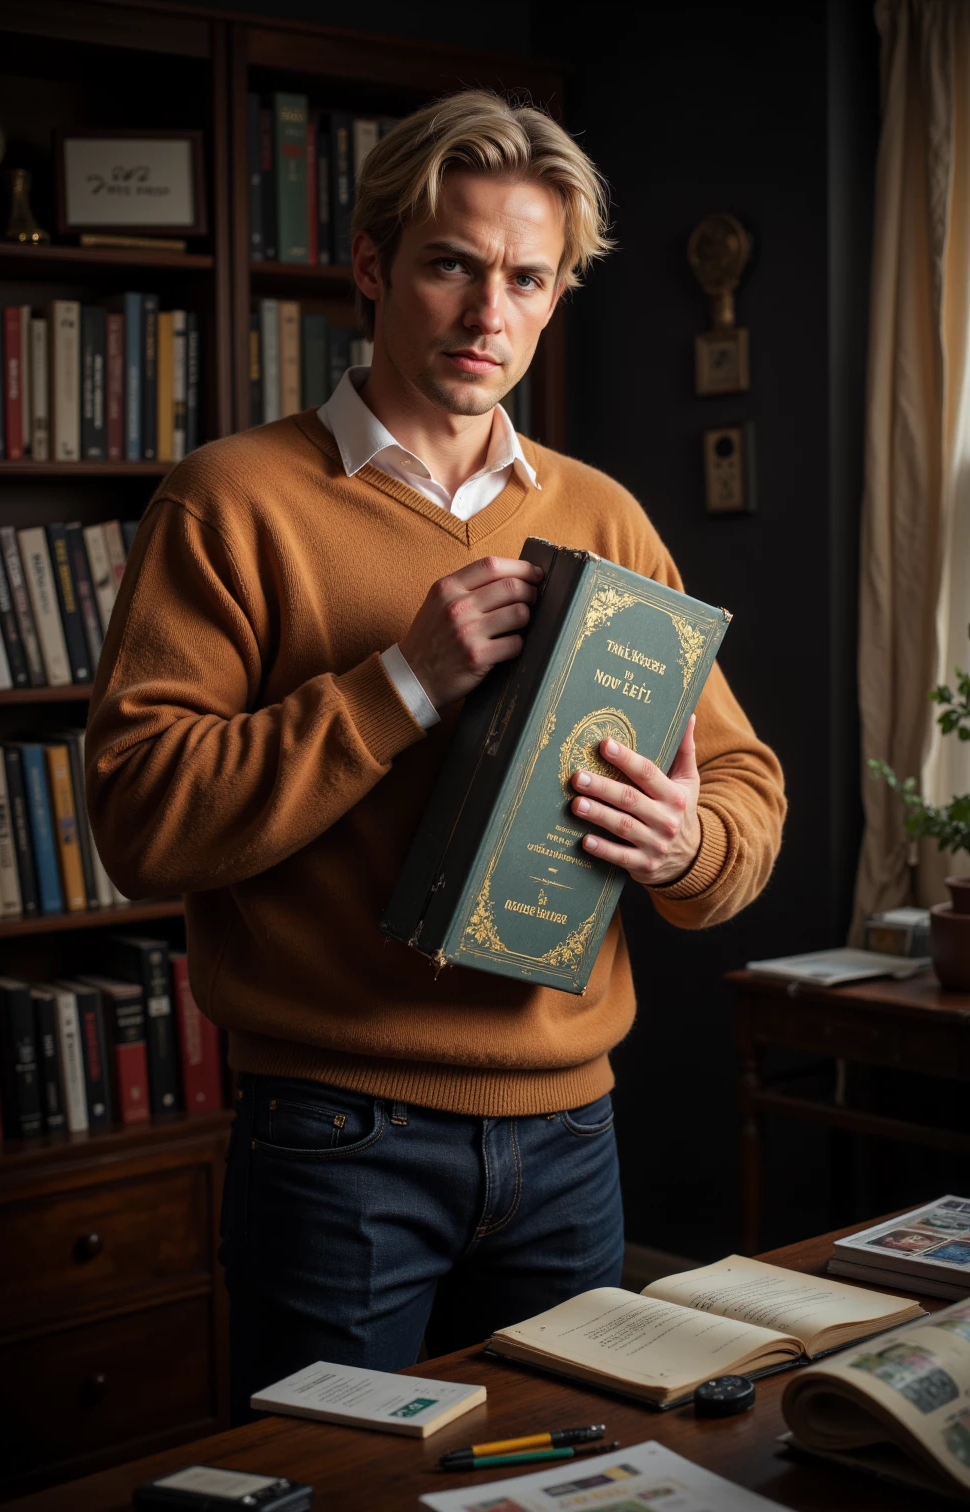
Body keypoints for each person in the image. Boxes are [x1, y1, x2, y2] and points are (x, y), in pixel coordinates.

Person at [85, 89, 786, 1424]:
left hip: (575, 1139)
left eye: (528, 278)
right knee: (336, 1505)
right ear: (372, 267)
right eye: (453, 265)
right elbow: (140, 819)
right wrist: (402, 682)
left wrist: (685, 844)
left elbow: (746, 791)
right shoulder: (233, 502)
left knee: (559, 1487)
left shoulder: (604, 514)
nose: (489, 315)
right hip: (338, 1142)